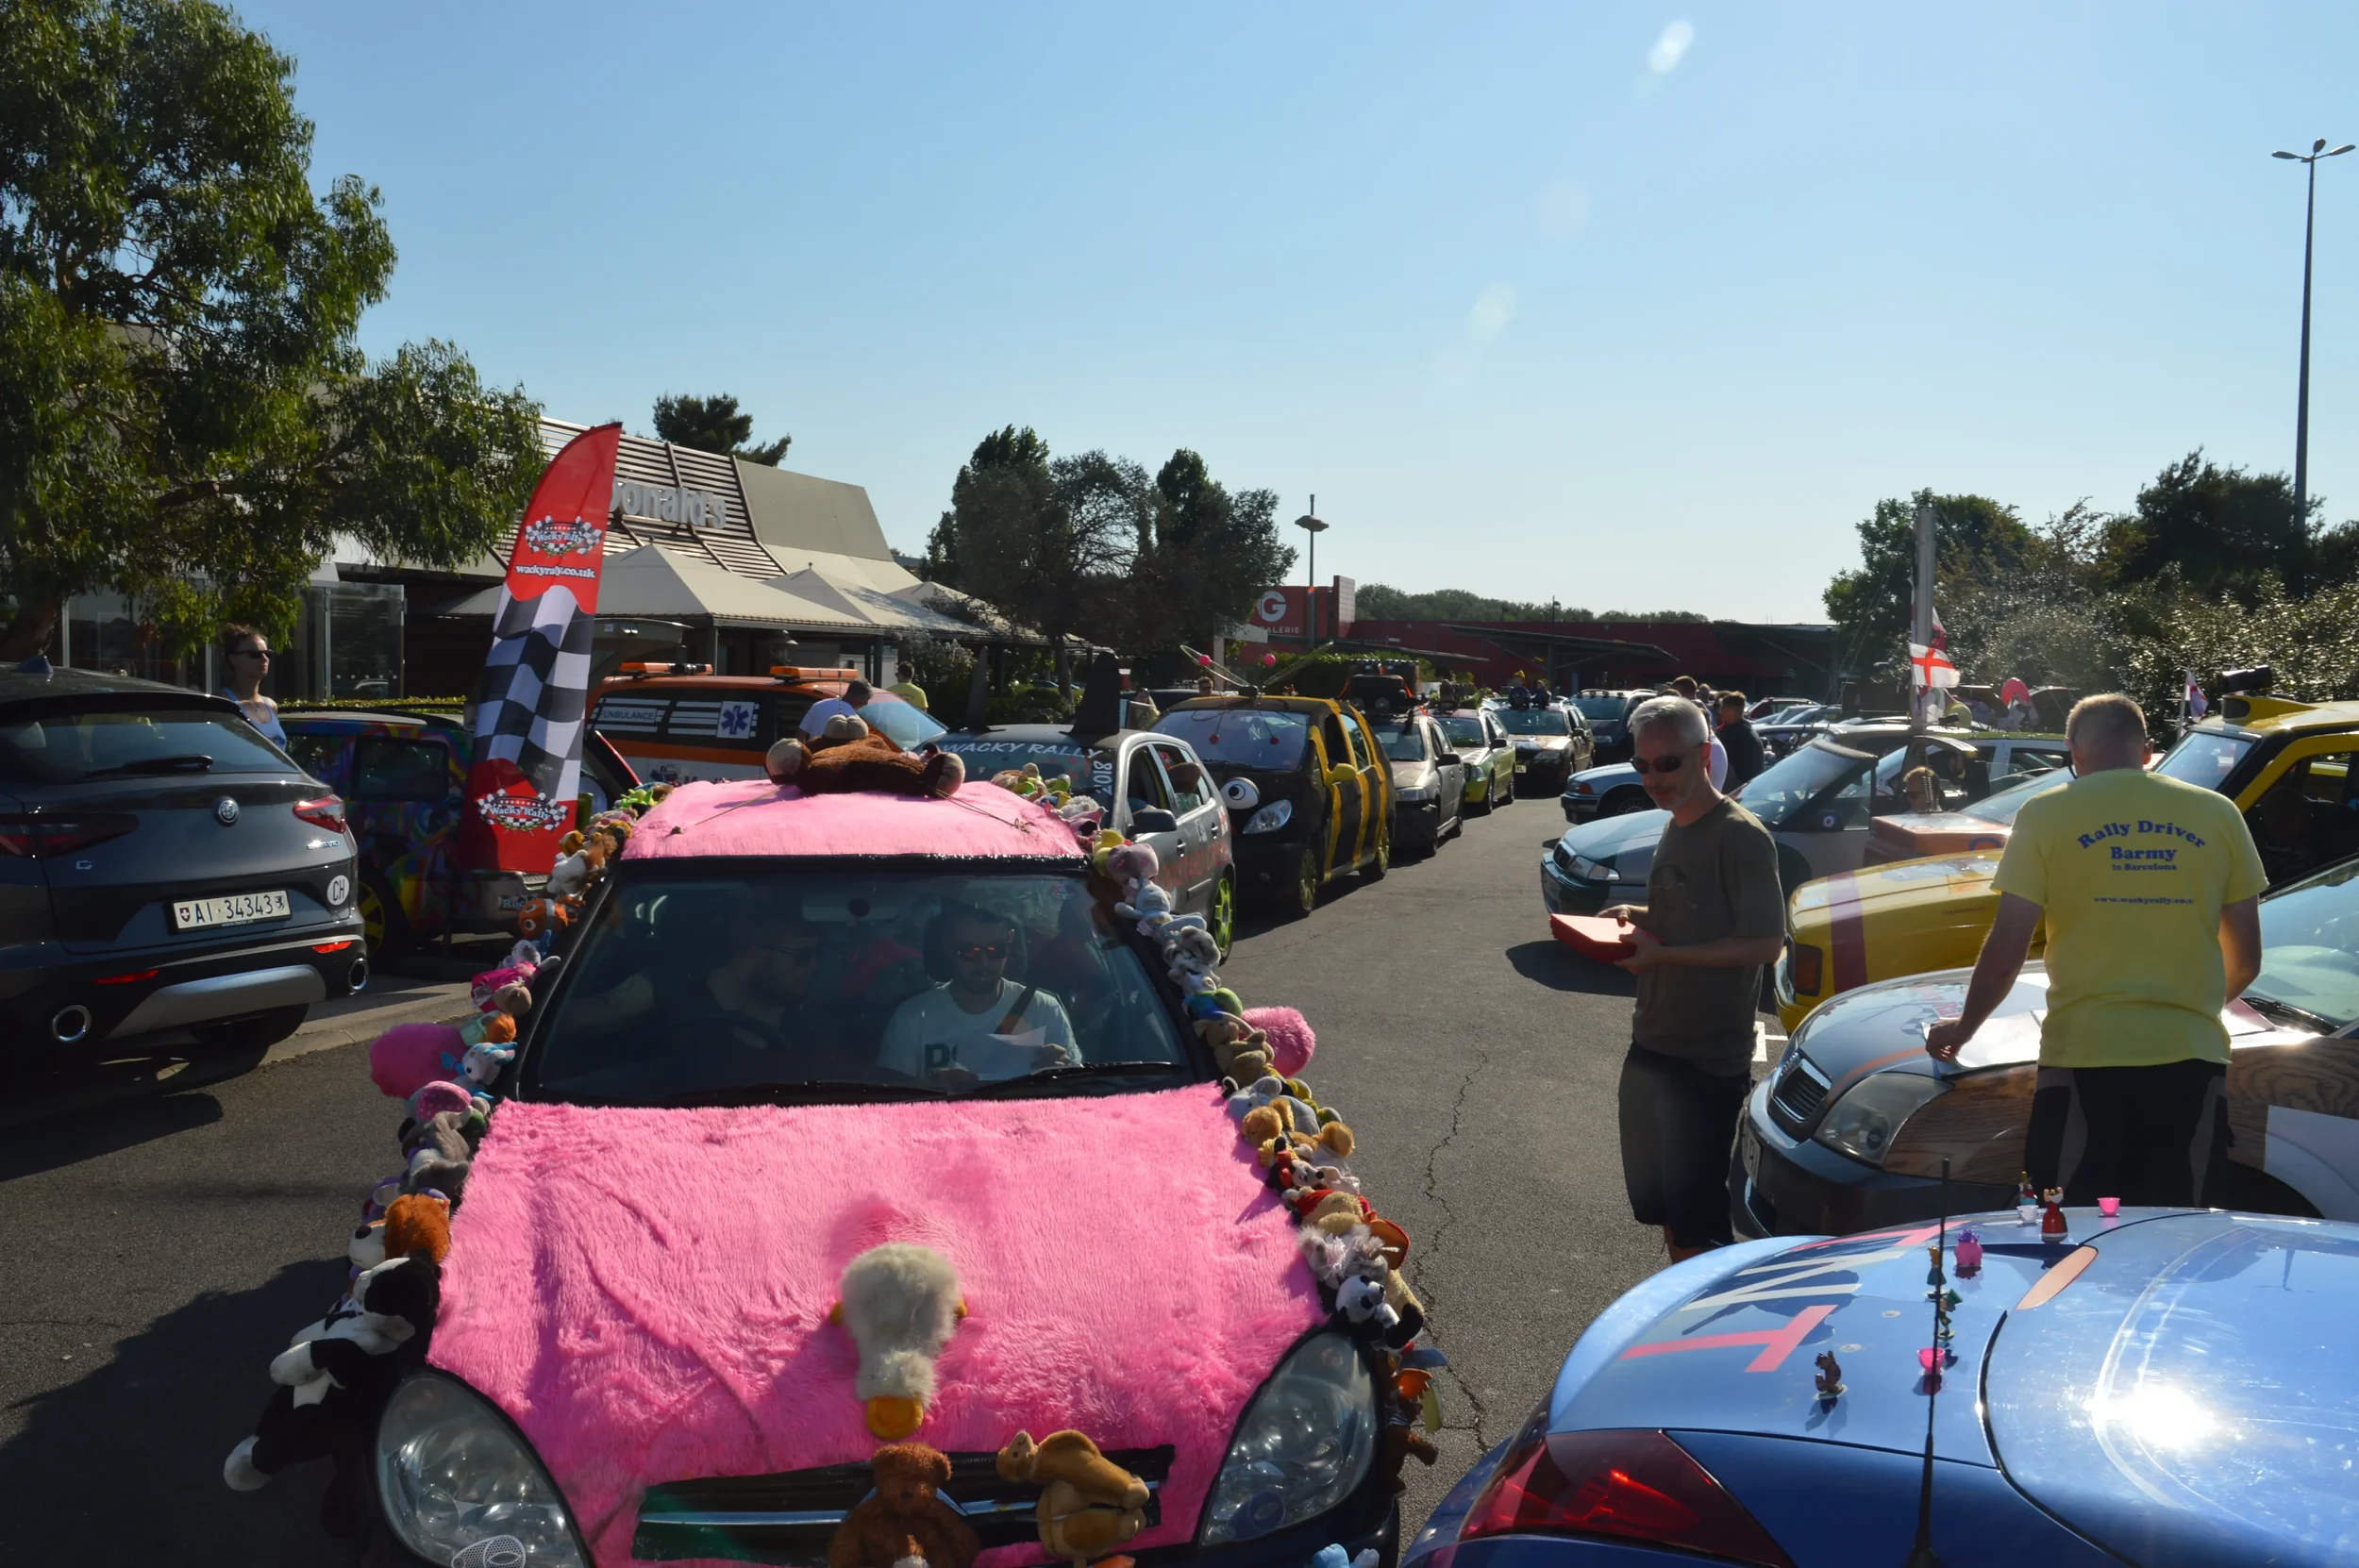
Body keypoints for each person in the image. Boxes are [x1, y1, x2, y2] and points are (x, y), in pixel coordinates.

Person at [1925, 694, 2266, 1207]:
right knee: (2173, 1227)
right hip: (2191, 1059)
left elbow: (2006, 949)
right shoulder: (2218, 813)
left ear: (2071, 752)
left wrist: (1963, 1028)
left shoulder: (2045, 813)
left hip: (2082, 1056)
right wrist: (2189, 1008)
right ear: (2147, 751)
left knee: (2069, 1230)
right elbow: (2246, 956)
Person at [1601, 696, 1784, 1262]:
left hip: (1704, 1063)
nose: (1654, 778)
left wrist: (1664, 958)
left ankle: (1704, 1338)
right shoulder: (1676, 825)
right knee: (1668, 1216)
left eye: (1668, 763)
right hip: (1653, 1044)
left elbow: (1764, 942)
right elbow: (1693, 917)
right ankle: (1679, 1323)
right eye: (1642, 766)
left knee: (1698, 1228)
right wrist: (1640, 918)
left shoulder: (1741, 835)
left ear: (1705, 755)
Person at [880, 903, 1075, 1085]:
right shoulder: (912, 1019)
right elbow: (890, 1104)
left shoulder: (1044, 1009)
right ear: (948, 947)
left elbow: (1078, 1090)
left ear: (1010, 942)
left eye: (995, 950)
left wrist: (1064, 1074)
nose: (983, 962)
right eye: (968, 951)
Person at [219, 624, 287, 747]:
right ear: (233, 659)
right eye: (254, 654)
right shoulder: (224, 703)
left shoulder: (271, 705)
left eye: (268, 653)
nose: (264, 658)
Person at [1714, 692, 1765, 790]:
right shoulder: (1747, 729)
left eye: (1722, 708)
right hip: (1752, 785)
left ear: (1731, 710)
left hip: (1738, 788)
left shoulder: (1729, 733)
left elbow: (1719, 762)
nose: (1720, 712)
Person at [800, 678, 873, 737]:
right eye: (865, 699)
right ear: (852, 695)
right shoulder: (852, 718)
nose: (865, 703)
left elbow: (800, 734)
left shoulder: (818, 705)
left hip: (814, 753)